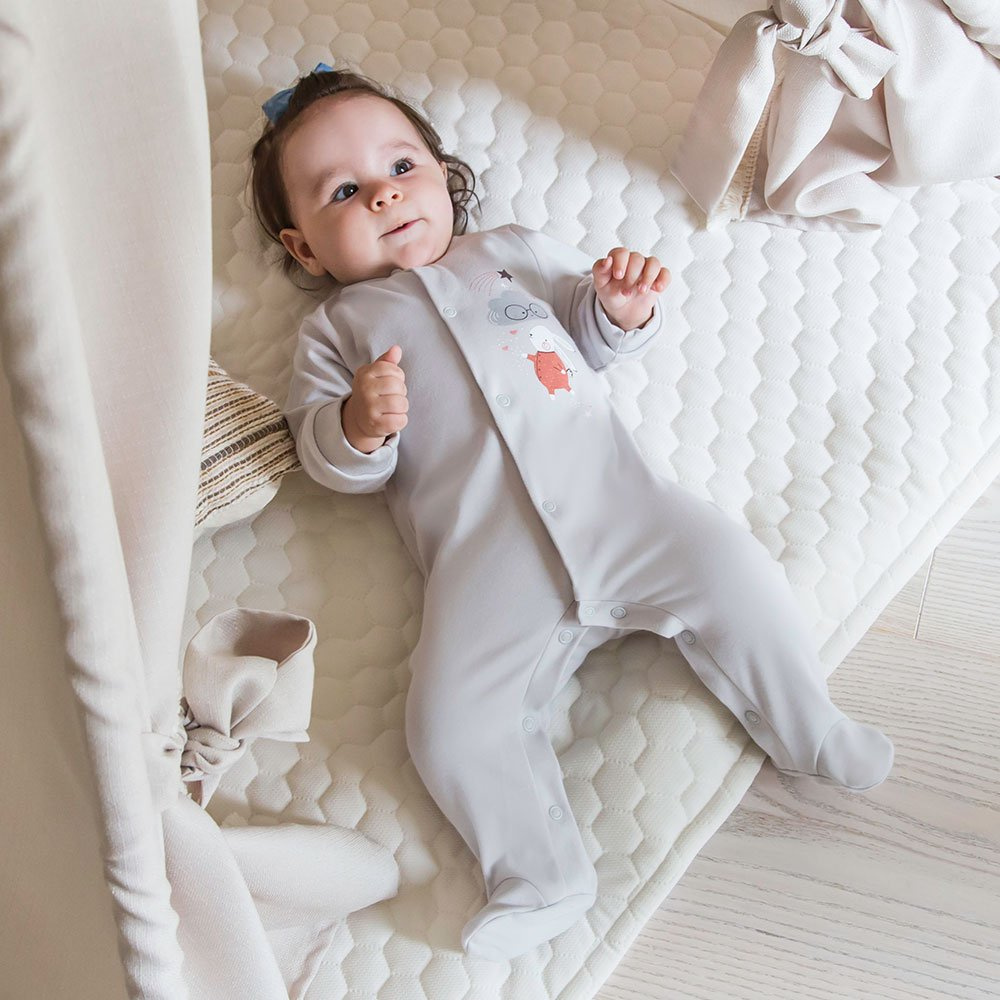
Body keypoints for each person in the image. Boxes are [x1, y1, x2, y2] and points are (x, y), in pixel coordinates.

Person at [249, 65, 894, 961]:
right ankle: (538, 873)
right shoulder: (339, 331)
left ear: (442, 175)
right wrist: (359, 425)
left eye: (401, 166)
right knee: (444, 727)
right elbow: (329, 461)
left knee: (733, 570)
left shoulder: (512, 251)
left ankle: (808, 725)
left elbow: (587, 338)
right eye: (344, 192)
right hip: (484, 561)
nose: (385, 194)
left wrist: (619, 309)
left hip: (623, 506)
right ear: (307, 248)